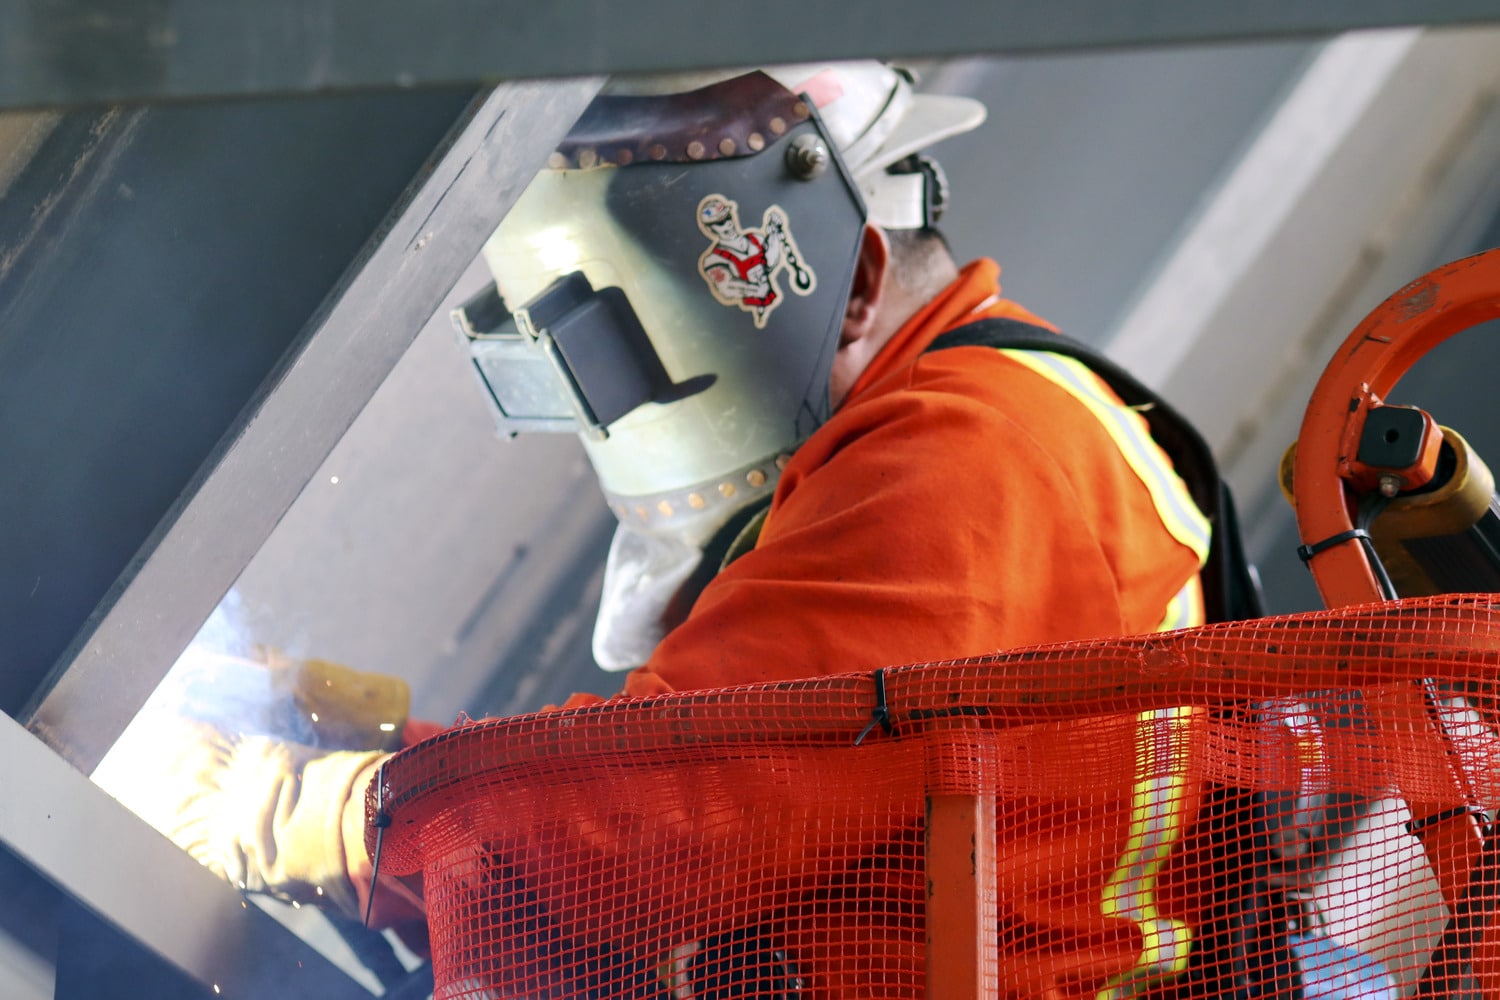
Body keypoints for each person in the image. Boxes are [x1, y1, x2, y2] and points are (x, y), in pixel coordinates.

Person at [102, 61, 1260, 996]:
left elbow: (651, 837)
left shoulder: (972, 460)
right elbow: (693, 779)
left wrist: (302, 813)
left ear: (849, 281)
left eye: (628, 347)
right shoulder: (1000, 423)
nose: (611, 406)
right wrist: (398, 748)